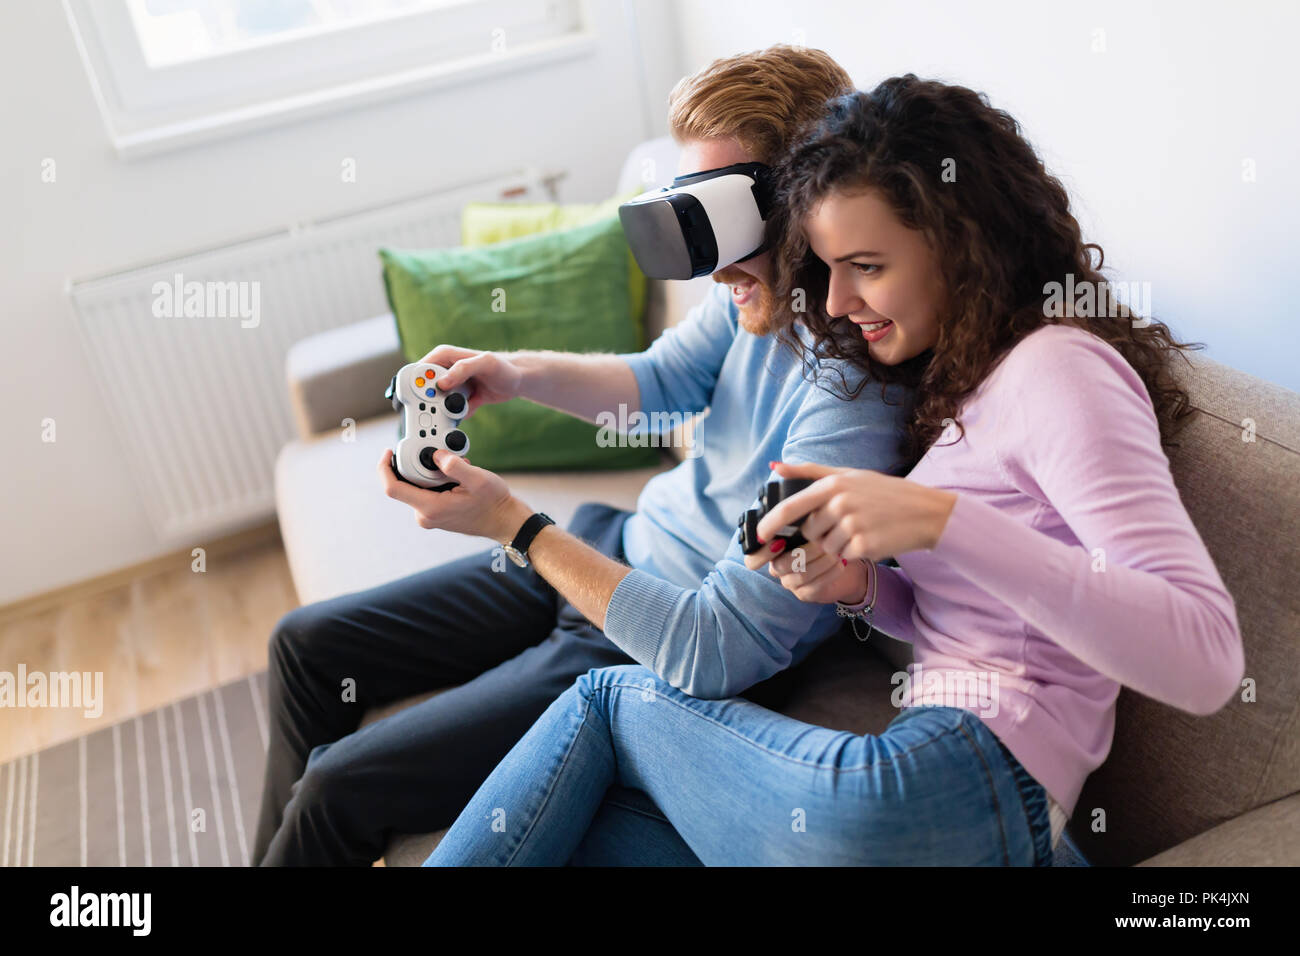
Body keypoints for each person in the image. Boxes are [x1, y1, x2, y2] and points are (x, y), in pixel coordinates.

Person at [424, 75, 1244, 866]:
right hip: (970, 809)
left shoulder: (1062, 370)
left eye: (867, 265)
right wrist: (857, 587)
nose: (840, 301)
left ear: (964, 243)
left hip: (963, 779)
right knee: (585, 834)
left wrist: (941, 522)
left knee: (605, 702)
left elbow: (1206, 660)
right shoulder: (968, 382)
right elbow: (980, 626)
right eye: (828, 268)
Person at [251, 46, 916, 866]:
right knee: (305, 645)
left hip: (647, 630)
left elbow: (717, 645)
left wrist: (510, 524)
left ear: (812, 198)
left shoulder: (857, 396)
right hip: (615, 543)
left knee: (335, 789)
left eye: (726, 215)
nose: (710, 261)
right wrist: (514, 373)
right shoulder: (760, 291)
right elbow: (663, 379)